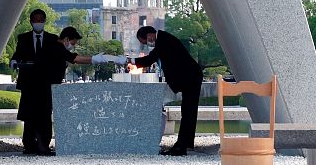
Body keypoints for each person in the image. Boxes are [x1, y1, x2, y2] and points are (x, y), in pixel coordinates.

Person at [11, 12, 122, 155]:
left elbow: (70, 57)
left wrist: (97, 58)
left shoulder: (52, 41)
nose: (38, 22)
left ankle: (38, 146)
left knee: (39, 116)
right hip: (36, 85)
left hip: (43, 85)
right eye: (35, 20)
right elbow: (18, 54)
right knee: (36, 116)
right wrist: (14, 61)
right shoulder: (38, 42)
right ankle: (36, 146)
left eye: (41, 20)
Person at [127, 26, 202, 156]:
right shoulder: (163, 39)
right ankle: (187, 143)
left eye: (144, 42)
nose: (145, 45)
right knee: (189, 111)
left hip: (190, 77)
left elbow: (150, 59)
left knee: (188, 111)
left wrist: (130, 61)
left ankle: (181, 147)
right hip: (192, 76)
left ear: (150, 35)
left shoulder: (163, 41)